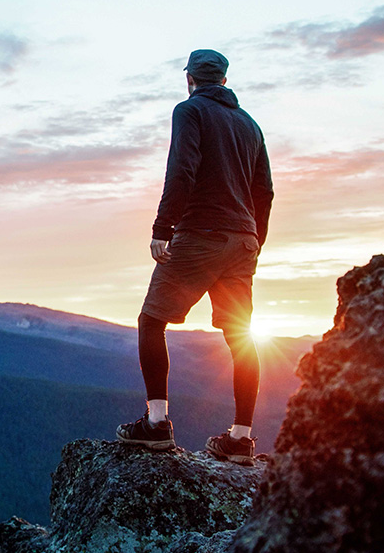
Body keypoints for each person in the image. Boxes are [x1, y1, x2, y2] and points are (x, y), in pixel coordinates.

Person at [115, 48, 273, 465]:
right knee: (241, 335)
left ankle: (156, 424)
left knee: (152, 320)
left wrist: (161, 230)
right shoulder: (250, 125)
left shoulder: (190, 111)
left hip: (200, 232)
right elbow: (265, 192)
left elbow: (181, 169)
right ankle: (241, 438)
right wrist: (255, 240)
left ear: (190, 79)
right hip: (242, 241)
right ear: (223, 79)